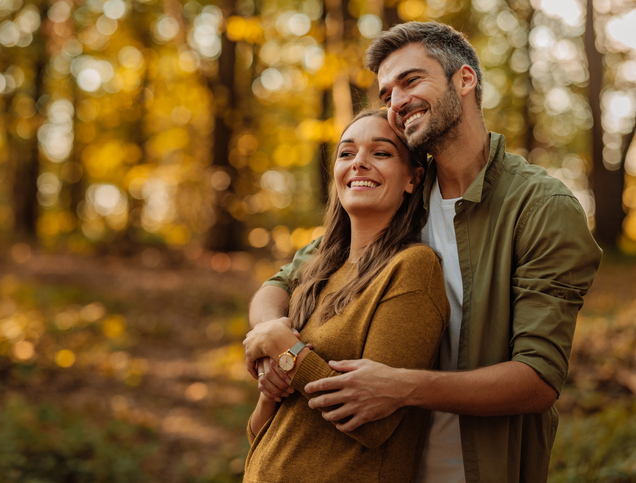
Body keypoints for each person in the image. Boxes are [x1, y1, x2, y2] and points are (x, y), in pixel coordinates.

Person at [247, 21, 602, 483]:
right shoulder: (402, 196)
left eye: (411, 80)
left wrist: (402, 388)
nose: (396, 101)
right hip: (389, 464)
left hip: (477, 468)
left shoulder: (540, 208)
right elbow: (286, 280)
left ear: (465, 79)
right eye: (388, 91)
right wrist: (273, 334)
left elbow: (537, 380)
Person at [242, 109, 450, 482]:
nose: (359, 164)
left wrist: (284, 349)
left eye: (381, 153)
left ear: (412, 179)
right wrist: (271, 386)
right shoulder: (319, 271)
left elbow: (374, 425)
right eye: (346, 153)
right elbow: (262, 434)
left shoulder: (413, 269)